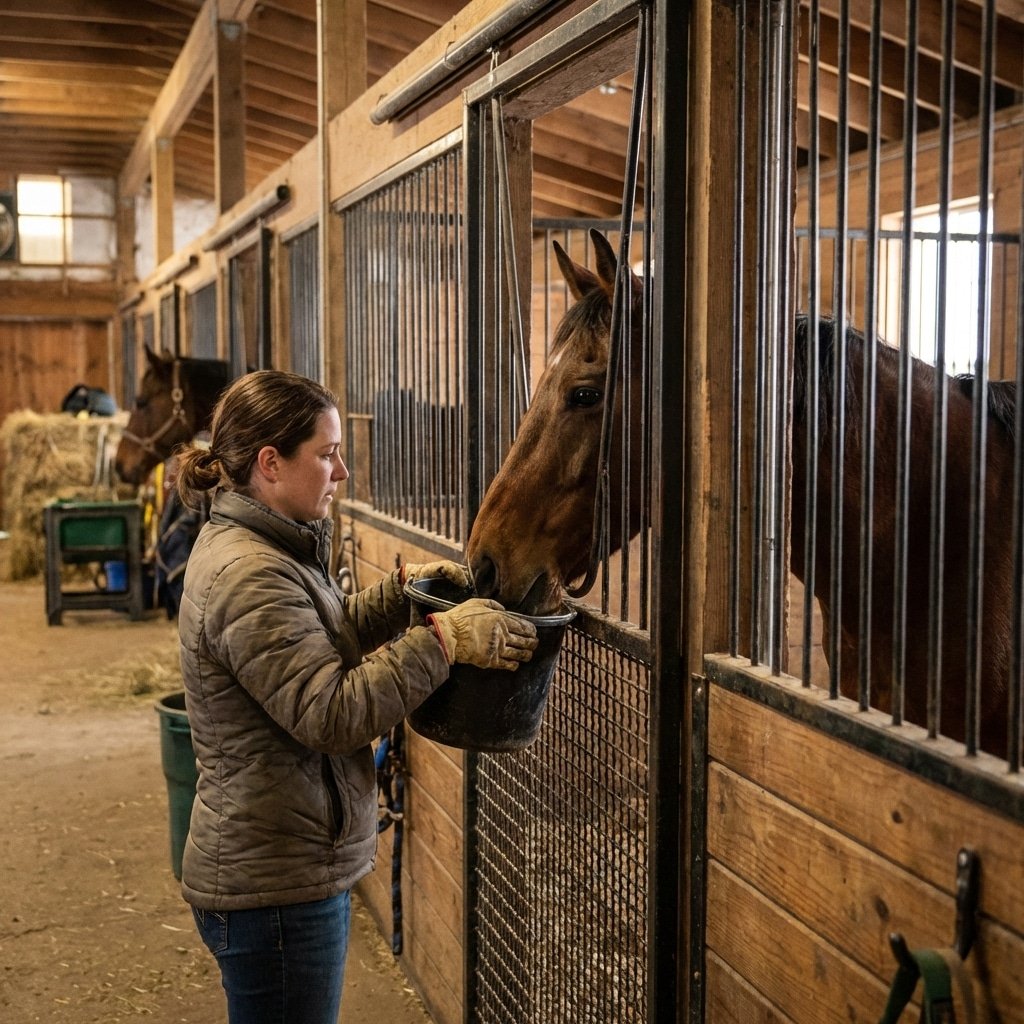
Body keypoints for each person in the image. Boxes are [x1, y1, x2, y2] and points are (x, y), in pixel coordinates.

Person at [174, 369, 538, 1024]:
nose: (341, 472)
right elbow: (330, 711)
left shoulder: (266, 546)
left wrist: (401, 595)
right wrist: (443, 640)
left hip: (279, 866)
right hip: (276, 886)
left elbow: (314, 638)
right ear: (269, 463)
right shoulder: (250, 573)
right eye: (326, 453)